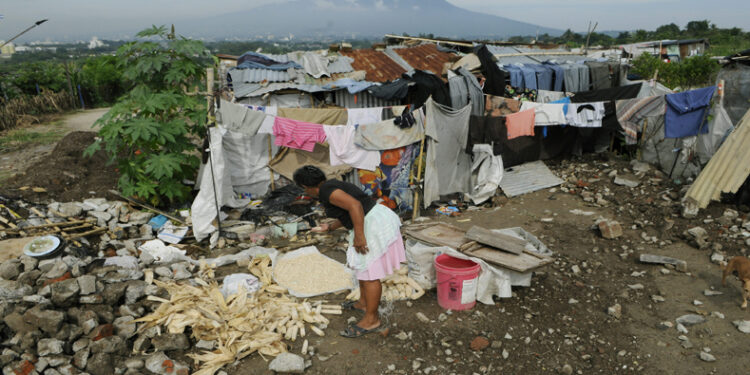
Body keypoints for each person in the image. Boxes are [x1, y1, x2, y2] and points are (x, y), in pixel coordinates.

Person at [293, 165, 406, 338]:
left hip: (374, 223)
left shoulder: (326, 191)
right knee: (362, 266)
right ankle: (363, 303)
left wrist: (359, 236)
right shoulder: (329, 186)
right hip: (372, 219)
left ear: (305, 187)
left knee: (370, 273)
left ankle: (372, 319)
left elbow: (355, 206)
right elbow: (348, 211)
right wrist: (330, 227)